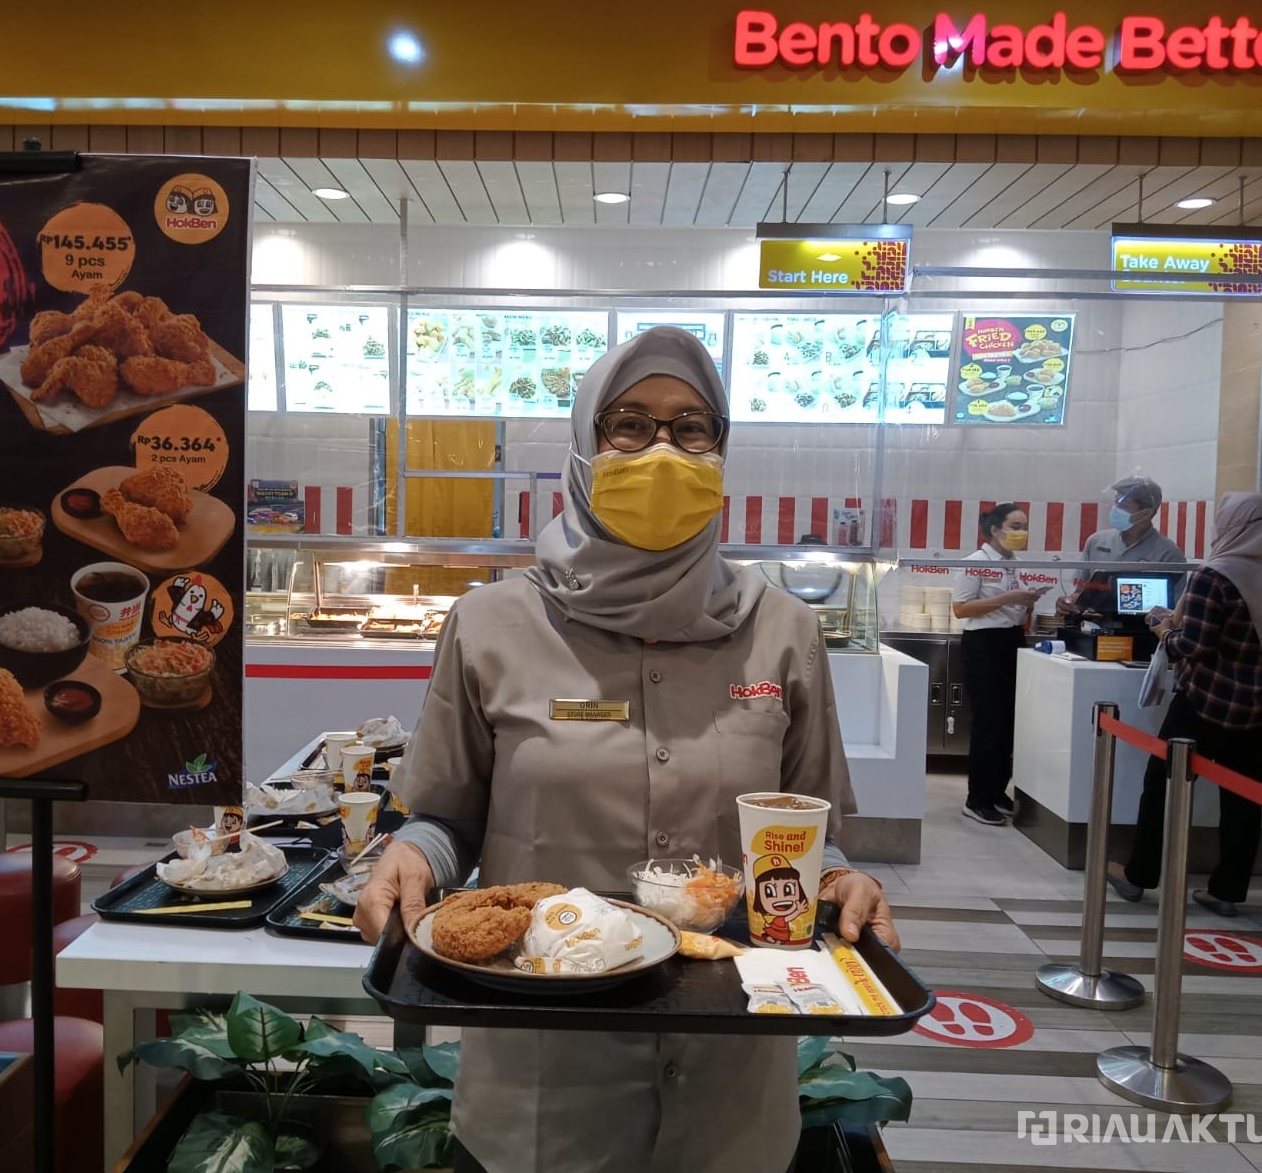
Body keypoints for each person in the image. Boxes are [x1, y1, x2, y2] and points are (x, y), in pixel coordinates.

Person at [355, 326, 898, 1173]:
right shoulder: (491, 623)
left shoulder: (783, 630)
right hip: (546, 1079)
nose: (663, 451)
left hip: (731, 1074)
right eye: (630, 425)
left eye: (692, 428)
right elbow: (448, 818)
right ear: (585, 443)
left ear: (721, 447)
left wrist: (836, 878)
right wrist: (413, 853)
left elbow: (805, 831)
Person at [1108, 493, 1262, 917]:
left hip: (1208, 703)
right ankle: (1227, 890)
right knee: (1243, 795)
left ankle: (1139, 874)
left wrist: (1162, 628)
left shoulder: (1213, 575)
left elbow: (1191, 647)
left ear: (1235, 525)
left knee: (1162, 783)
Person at [952, 503, 1048, 826]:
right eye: (1015, 526)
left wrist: (1028, 601)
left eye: (1024, 527)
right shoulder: (975, 563)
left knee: (1009, 722)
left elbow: (1014, 608)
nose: (1022, 533)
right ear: (994, 530)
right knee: (989, 722)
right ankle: (976, 798)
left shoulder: (1014, 565)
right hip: (983, 645)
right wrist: (1007, 599)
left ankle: (996, 790)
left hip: (1012, 640)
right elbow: (961, 609)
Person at [1056, 476, 1186, 616]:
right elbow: (1080, 593)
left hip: (1143, 628)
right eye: (1116, 503)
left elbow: (1175, 614)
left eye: (1124, 506)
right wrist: (1069, 603)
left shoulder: (1168, 555)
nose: (1116, 510)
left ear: (1146, 513)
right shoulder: (1097, 542)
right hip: (1094, 626)